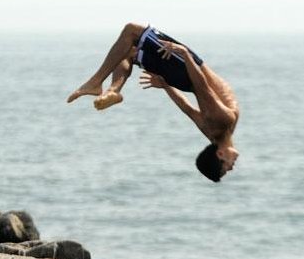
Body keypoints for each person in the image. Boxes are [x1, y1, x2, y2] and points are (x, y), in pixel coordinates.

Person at [67, 23, 240, 182]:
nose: (231, 168)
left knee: (131, 32)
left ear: (220, 154)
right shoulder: (214, 133)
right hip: (188, 72)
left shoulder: (222, 123)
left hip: (189, 70)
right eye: (227, 169)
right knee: (129, 52)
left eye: (226, 168)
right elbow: (187, 106)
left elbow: (202, 88)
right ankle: (113, 90)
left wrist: (185, 54)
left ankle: (97, 84)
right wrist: (166, 85)